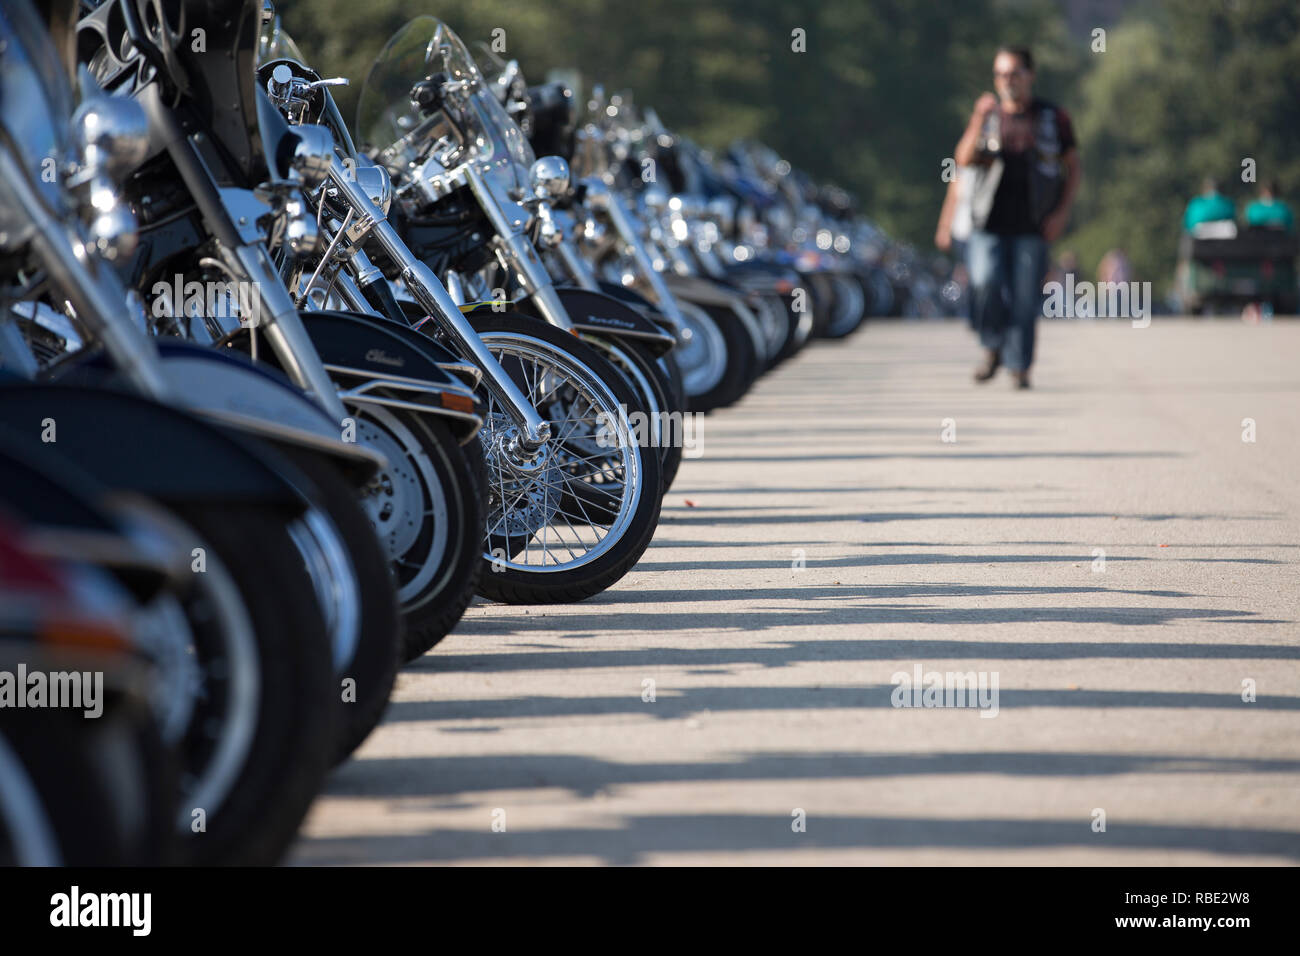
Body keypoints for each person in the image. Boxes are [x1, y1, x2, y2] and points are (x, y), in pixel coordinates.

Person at [955, 46, 1081, 389]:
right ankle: (992, 346)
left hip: (1032, 223)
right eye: (1000, 74)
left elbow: (1072, 168)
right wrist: (977, 119)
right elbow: (963, 159)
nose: (1006, 81)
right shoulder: (989, 115)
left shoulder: (1052, 118)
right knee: (985, 282)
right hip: (987, 222)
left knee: (1025, 298)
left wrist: (1060, 214)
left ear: (1030, 75)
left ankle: (1019, 366)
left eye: (1013, 73)